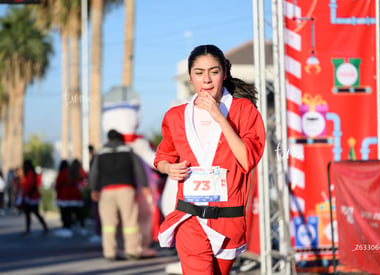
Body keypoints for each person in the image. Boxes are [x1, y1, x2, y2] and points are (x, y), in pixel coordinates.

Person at [154, 44, 265, 275]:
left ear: (224, 73)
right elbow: (162, 158)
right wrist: (169, 168)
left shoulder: (243, 110)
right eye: (199, 73)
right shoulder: (176, 116)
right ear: (190, 77)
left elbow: (247, 160)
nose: (206, 79)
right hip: (189, 218)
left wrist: (219, 117)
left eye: (213, 72)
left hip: (228, 221)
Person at [89, 129, 152, 261]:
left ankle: (109, 252)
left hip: (106, 192)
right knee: (130, 221)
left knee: (108, 224)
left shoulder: (100, 152)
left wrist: (94, 189)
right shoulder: (128, 151)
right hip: (126, 190)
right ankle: (132, 251)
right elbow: (138, 168)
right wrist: (145, 186)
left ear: (108, 139)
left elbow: (94, 172)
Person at [18, 159, 48, 236]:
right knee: (29, 213)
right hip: (30, 196)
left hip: (31, 196)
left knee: (34, 213)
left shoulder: (30, 172)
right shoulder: (29, 172)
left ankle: (44, 228)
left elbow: (30, 185)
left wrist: (25, 194)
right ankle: (29, 229)